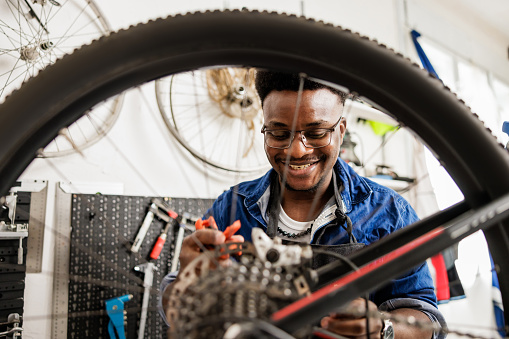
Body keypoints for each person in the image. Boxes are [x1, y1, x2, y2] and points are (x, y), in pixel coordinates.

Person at [161, 71, 446, 338]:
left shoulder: (390, 212)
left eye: (317, 132)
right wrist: (190, 283)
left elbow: (428, 318)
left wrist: (384, 328)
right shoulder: (233, 207)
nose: (297, 150)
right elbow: (172, 305)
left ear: (341, 130)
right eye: (279, 133)